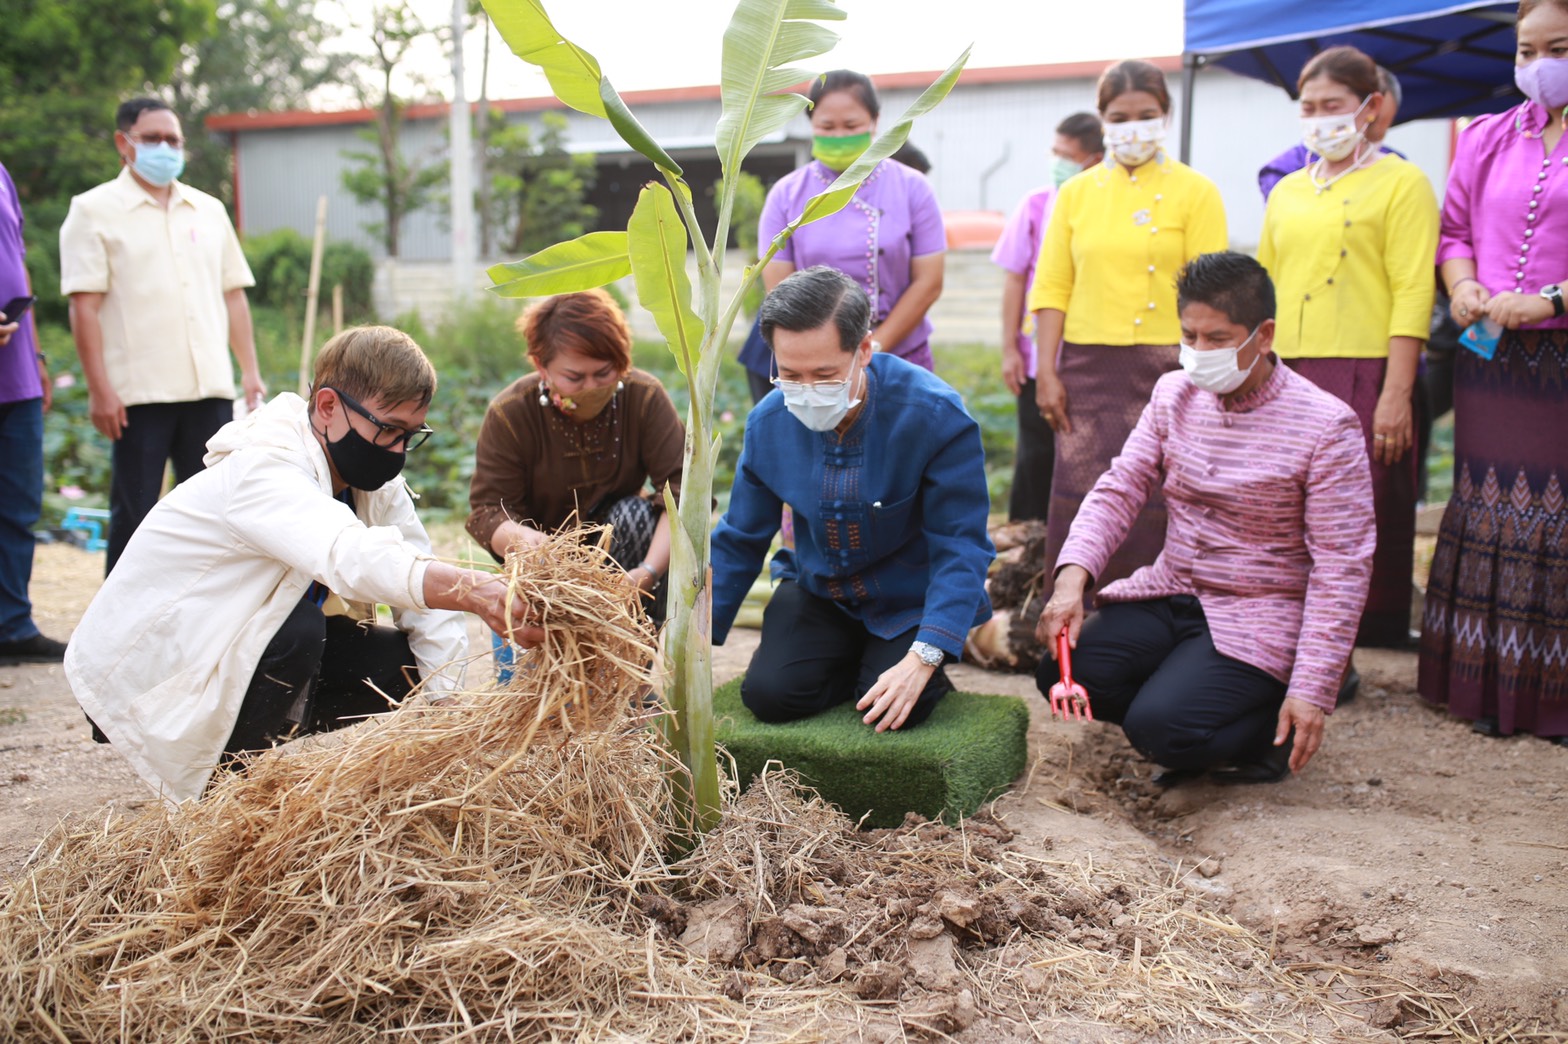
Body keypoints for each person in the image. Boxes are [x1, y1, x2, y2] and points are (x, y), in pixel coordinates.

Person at [66, 326, 541, 802]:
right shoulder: (265, 465)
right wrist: (473, 588)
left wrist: (450, 715)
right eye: (388, 429)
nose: (396, 451)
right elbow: (346, 553)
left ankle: (243, 760)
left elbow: (420, 588)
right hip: (163, 660)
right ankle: (223, 801)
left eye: (409, 435)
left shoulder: (369, 480)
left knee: (403, 665)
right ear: (329, 406)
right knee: (295, 634)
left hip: (234, 643)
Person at [1035, 253, 1374, 785]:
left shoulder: (1326, 425)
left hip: (1260, 611)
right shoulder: (1175, 393)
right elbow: (1122, 486)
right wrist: (1071, 579)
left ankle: (1263, 734)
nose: (1197, 353)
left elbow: (1342, 566)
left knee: (1162, 729)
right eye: (1188, 336)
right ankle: (1187, 709)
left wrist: (1312, 687)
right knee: (1062, 668)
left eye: (1216, 339)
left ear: (1263, 335)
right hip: (1174, 589)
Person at [711, 266, 993, 732]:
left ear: (864, 349)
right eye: (789, 375)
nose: (806, 391)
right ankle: (855, 661)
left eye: (824, 374)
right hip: (818, 589)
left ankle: (902, 667)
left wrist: (924, 655)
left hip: (908, 598)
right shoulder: (768, 423)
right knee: (770, 696)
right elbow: (740, 537)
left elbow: (961, 544)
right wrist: (692, 638)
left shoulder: (935, 415)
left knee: (892, 710)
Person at [1420, 0, 1568, 746]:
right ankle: (1482, 687)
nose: (1538, 64)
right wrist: (1463, 287)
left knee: (1557, 516)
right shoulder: (1486, 136)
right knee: (1485, 506)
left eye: (1559, 46)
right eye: (1525, 49)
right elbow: (1454, 232)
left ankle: (1552, 700)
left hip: (1561, 361)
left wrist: (1551, 300)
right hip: (1492, 361)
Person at [1257, 46, 1438, 650]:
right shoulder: (1286, 190)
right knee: (1286, 502)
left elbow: (1414, 288)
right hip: (1291, 370)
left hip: (1368, 365)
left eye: (1332, 105)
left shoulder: (1403, 182)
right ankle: (1287, 629)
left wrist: (1397, 392)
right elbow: (1266, 284)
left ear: (1371, 107)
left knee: (1362, 502)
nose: (1319, 117)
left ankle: (1363, 633)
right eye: (1307, 107)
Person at [1030, 60, 1228, 592]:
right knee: (1084, 489)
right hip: (1087, 369)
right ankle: (1075, 614)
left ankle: (1159, 612)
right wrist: (1046, 371)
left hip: (1172, 366)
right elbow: (1051, 288)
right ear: (1102, 121)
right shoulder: (1075, 193)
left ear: (1166, 116)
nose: (1134, 126)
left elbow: (1211, 294)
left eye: (1147, 115)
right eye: (1120, 116)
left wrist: (1201, 369)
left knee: (1165, 493)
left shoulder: (1197, 191)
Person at [60, 97, 264, 575]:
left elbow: (234, 296)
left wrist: (249, 372)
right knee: (135, 513)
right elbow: (83, 307)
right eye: (152, 138)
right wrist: (99, 389)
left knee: (214, 514)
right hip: (138, 394)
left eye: (173, 140)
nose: (165, 148)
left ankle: (205, 625)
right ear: (123, 143)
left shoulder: (208, 210)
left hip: (209, 387)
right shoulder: (93, 211)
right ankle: (119, 633)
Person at [467, 289, 684, 641]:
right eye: (574, 377)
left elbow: (680, 495)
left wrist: (647, 572)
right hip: (543, 566)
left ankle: (634, 667)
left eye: (604, 373)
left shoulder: (642, 397)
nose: (592, 387)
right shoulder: (511, 413)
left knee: (635, 516)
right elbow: (487, 512)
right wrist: (533, 546)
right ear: (541, 366)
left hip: (623, 560)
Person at [737, 69, 947, 401]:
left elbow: (929, 282)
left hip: (899, 354)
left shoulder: (912, 188)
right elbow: (778, 286)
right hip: (816, 367)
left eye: (851, 126)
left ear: (875, 121)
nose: (839, 135)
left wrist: (872, 348)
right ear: (811, 125)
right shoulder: (787, 195)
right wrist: (831, 358)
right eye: (826, 127)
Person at [992, 112, 1104, 523]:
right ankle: (1028, 544)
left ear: (1093, 160)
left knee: (1090, 458)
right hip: (1038, 355)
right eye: (1054, 152)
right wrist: (1009, 349)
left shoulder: (1108, 208)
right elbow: (1015, 280)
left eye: (1066, 155)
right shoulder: (1037, 204)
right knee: (1036, 455)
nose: (1057, 162)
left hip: (1092, 354)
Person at [0, 159, 67, 666]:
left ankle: (13, 625)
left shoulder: (4, 174)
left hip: (16, 375)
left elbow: (18, 267)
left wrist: (37, 355)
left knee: (20, 508)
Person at [1258, 65, 1405, 201]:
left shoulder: (1399, 170)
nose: (1365, 130)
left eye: (1377, 124)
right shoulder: (1282, 172)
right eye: (1309, 108)